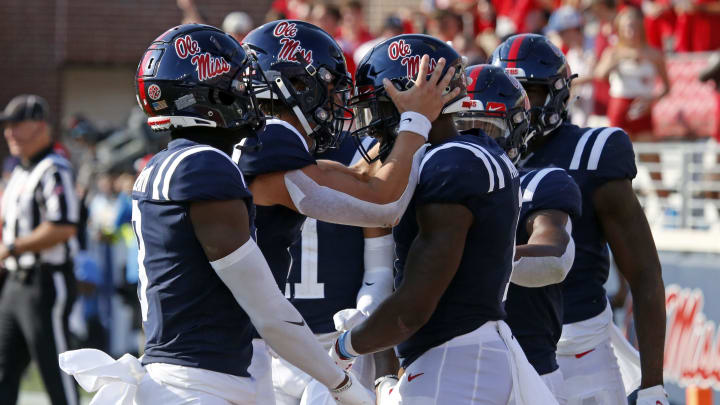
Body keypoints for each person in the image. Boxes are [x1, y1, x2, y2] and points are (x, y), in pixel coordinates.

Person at [59, 24, 372, 405]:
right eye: (242, 83)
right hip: (203, 384)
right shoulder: (205, 167)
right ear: (211, 94)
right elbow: (269, 311)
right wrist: (344, 387)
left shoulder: (163, 165)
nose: (253, 95)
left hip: (189, 378)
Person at [238, 21, 460, 403]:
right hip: (245, 352)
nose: (335, 104)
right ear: (295, 86)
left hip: (255, 342)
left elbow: (356, 177)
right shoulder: (273, 139)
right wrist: (415, 121)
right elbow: (383, 204)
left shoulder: (254, 141)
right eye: (326, 89)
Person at [331, 35, 559, 405]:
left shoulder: (451, 163)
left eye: (378, 106)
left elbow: (413, 308)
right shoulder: (461, 152)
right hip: (462, 357)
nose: (372, 124)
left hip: (456, 363)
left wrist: (344, 348)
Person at [491, 33, 668, 405]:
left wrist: (653, 381)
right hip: (497, 347)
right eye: (508, 90)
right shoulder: (477, 154)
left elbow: (645, 272)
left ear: (557, 93)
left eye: (530, 91)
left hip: (579, 352)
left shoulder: (594, 154)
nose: (518, 103)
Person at [457, 64, 582, 404]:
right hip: (448, 371)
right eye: (460, 127)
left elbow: (555, 257)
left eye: (485, 128)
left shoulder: (539, 183)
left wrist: (463, 258)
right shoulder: (425, 183)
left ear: (515, 131)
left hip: (528, 376)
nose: (471, 141)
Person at [273, 135, 398, 405]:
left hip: (337, 345)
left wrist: (366, 311)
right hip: (269, 344)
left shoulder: (361, 151)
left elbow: (380, 267)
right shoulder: (254, 149)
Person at [0, 94, 80, 405]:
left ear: (40, 126)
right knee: (3, 370)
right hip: (14, 284)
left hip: (45, 282)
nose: (9, 133)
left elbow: (63, 225)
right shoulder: (19, 171)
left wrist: (11, 247)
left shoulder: (54, 168)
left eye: (17, 125)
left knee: (56, 369)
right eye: (7, 126)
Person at [595, 6, 670, 141]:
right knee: (618, 154)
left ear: (642, 27)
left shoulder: (654, 54)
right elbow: (599, 74)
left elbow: (667, 87)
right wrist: (616, 60)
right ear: (619, 29)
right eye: (626, 27)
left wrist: (652, 101)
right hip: (619, 106)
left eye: (634, 26)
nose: (630, 32)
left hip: (643, 107)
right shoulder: (613, 52)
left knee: (650, 155)